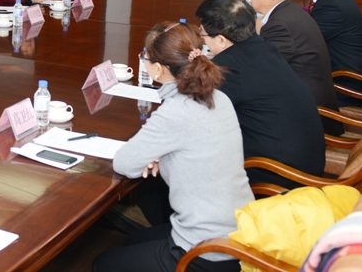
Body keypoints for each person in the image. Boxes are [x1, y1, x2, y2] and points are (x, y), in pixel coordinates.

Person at [92, 21, 252, 272]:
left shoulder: (176, 111)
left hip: (206, 252)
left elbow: (124, 164)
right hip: (242, 232)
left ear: (157, 69)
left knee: (102, 264)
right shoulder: (218, 97)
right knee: (133, 241)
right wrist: (163, 154)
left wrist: (156, 155)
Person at [196, 0, 325, 189]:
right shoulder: (263, 48)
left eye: (203, 35)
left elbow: (197, 113)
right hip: (304, 164)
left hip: (277, 177)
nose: (202, 40)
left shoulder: (230, 68)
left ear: (222, 40)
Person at [246, 0, 342, 136]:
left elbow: (260, 71)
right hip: (308, 105)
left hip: (308, 119)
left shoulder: (280, 24)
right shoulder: (289, 12)